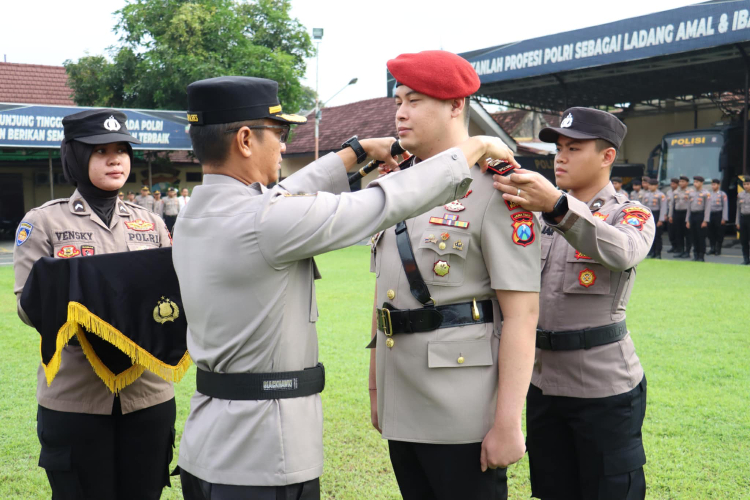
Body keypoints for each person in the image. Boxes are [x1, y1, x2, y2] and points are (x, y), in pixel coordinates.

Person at [171, 75, 517, 500]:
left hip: (207, 448)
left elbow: (280, 197)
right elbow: (381, 202)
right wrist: (474, 148)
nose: (283, 146)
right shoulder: (264, 222)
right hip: (262, 458)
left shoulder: (195, 213)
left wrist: (354, 153)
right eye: (278, 135)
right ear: (245, 140)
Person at [368, 50, 539, 500]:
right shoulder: (397, 188)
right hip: (401, 393)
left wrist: (508, 422)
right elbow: (385, 293)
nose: (401, 112)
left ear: (455, 106)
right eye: (398, 100)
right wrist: (374, 385)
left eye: (416, 100)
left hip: (462, 407)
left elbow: (522, 315)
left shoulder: (498, 188)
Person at [13, 109, 176, 499]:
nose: (116, 158)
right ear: (75, 156)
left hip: (148, 394)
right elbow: (26, 305)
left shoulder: (150, 223)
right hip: (76, 398)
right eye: (100, 150)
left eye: (122, 150)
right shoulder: (44, 223)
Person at [493, 106, 653, 500]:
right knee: (551, 489)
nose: (560, 157)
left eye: (574, 148)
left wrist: (559, 208)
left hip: (604, 388)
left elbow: (624, 252)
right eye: (558, 147)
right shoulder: (532, 214)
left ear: (607, 156)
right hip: (542, 384)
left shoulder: (628, 214)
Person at [640, 177, 667, 258]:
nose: (650, 187)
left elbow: (663, 208)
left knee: (657, 235)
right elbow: (643, 206)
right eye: (649, 185)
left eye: (652, 185)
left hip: (657, 214)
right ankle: (651, 252)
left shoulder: (661, 195)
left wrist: (661, 220)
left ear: (656, 186)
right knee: (648, 234)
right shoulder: (646, 194)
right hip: (648, 215)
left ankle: (658, 253)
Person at [685, 175, 710, 261]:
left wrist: (705, 220)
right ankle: (695, 254)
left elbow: (707, 208)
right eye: (694, 182)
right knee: (694, 236)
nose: (695, 184)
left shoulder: (706, 193)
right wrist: (687, 220)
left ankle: (701, 255)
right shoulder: (691, 193)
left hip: (701, 216)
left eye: (697, 182)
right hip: (693, 215)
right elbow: (688, 207)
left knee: (701, 237)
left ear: (701, 183)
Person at [669, 176, 692, 258]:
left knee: (687, 234)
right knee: (679, 233)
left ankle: (687, 251)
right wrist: (670, 215)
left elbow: (691, 205)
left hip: (686, 213)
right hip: (677, 213)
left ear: (687, 183)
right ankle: (680, 250)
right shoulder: (675, 192)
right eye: (680, 181)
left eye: (683, 181)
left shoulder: (690, 192)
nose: (681, 183)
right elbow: (672, 204)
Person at [706, 179, 728, 255]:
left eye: (715, 184)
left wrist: (724, 218)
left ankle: (718, 249)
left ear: (718, 185)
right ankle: (712, 248)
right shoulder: (709, 194)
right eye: (712, 184)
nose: (713, 186)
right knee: (710, 232)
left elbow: (725, 207)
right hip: (710, 215)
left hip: (719, 214)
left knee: (719, 233)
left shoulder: (722, 194)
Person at [737, 178, 750, 265]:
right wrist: (737, 222)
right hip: (743, 218)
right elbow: (738, 209)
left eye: (748, 184)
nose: (746, 186)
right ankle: (746, 259)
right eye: (744, 184)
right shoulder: (740, 195)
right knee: (744, 240)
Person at [665, 178, 678, 252]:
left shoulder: (678, 192)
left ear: (677, 184)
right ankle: (673, 246)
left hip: (676, 212)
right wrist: (666, 214)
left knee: (677, 231)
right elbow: (667, 204)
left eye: (674, 184)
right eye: (671, 183)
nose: (672, 185)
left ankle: (678, 247)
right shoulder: (668, 192)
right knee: (670, 231)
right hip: (669, 211)